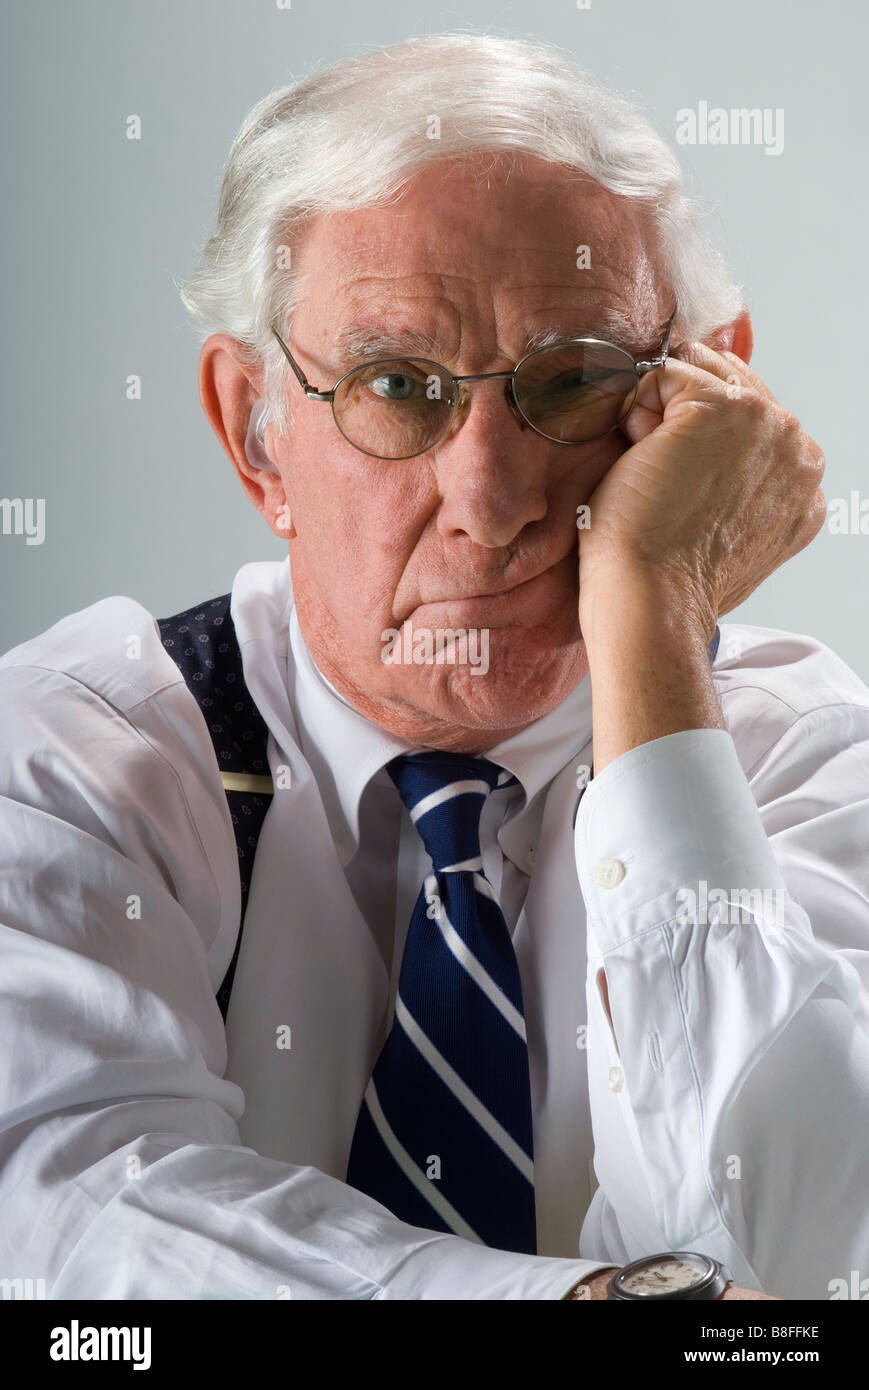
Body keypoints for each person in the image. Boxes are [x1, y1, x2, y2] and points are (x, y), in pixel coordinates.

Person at [0, 32, 866, 1303]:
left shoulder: (802, 754)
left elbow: (802, 1255)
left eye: (571, 380)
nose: (492, 495)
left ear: (706, 398)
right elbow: (76, 1236)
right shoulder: (74, 757)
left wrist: (649, 607)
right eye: (397, 385)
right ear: (258, 436)